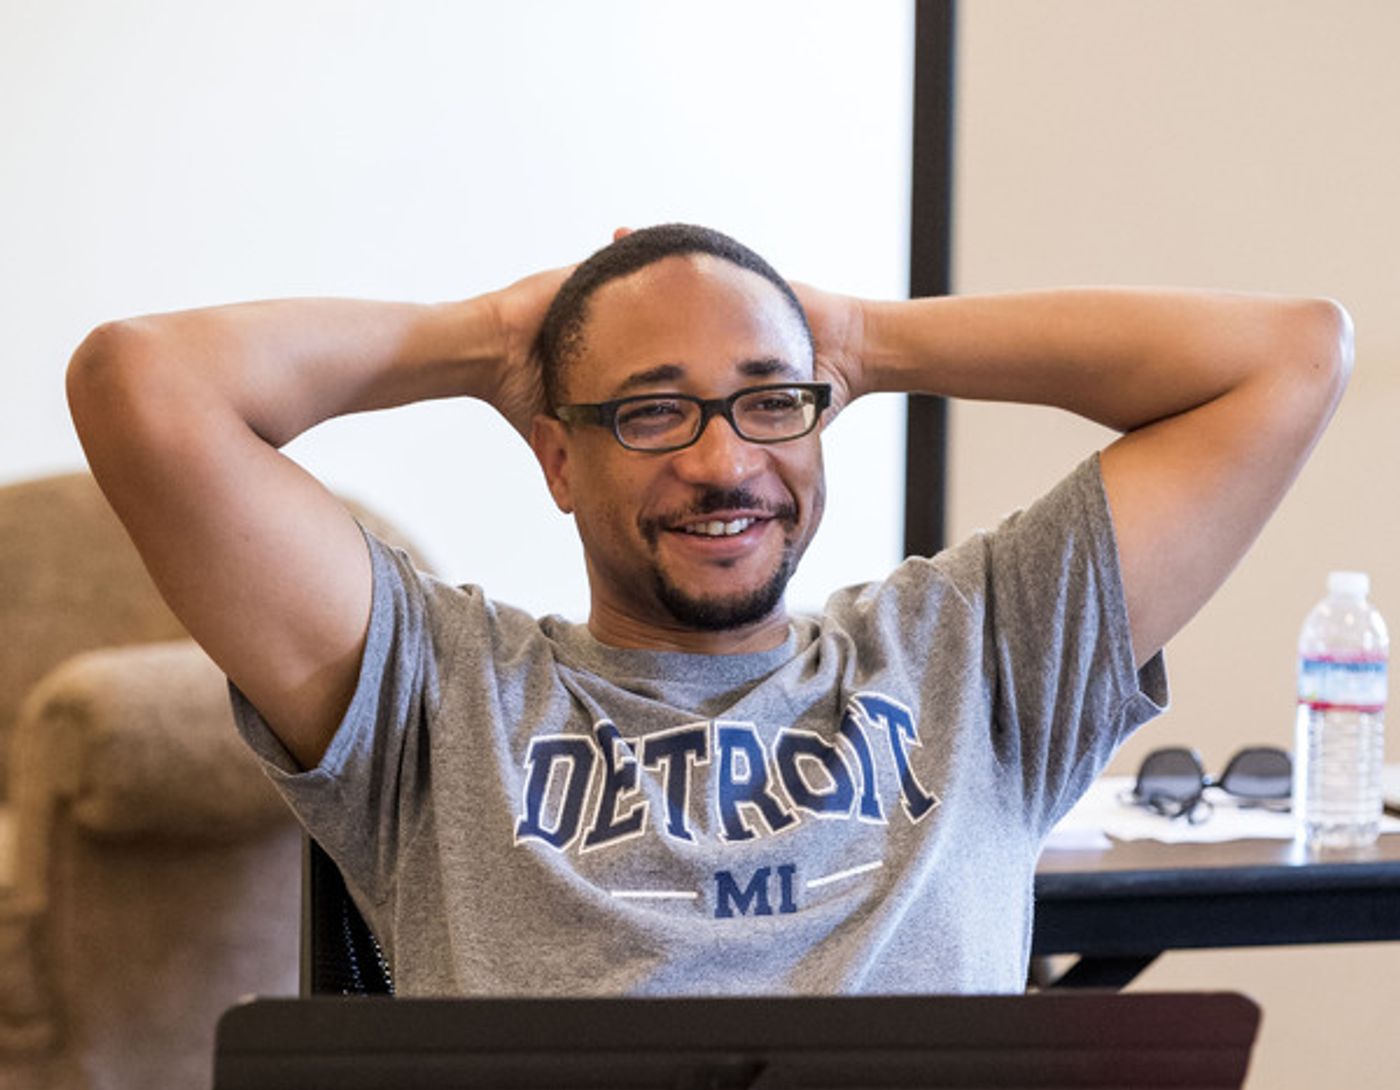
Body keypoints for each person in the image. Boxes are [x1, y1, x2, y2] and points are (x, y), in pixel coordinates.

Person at [66, 224, 1351, 995]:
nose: (724, 461)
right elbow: (144, 381)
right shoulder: (429, 688)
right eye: (650, 408)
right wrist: (494, 337)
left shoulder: (979, 649)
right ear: (558, 458)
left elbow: (1288, 354)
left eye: (768, 400)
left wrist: (856, 335)